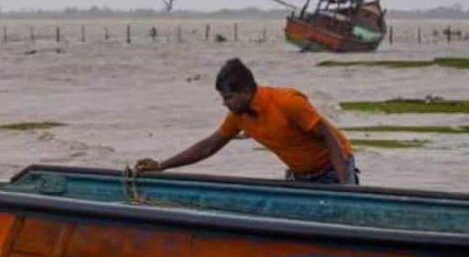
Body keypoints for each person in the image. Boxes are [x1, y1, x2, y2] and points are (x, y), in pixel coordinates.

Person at [135, 58, 358, 185]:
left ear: (245, 91)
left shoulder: (288, 102)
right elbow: (208, 146)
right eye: (223, 98)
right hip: (300, 173)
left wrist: (345, 188)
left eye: (228, 98)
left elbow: (329, 138)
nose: (225, 104)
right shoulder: (239, 117)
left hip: (331, 167)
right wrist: (162, 166)